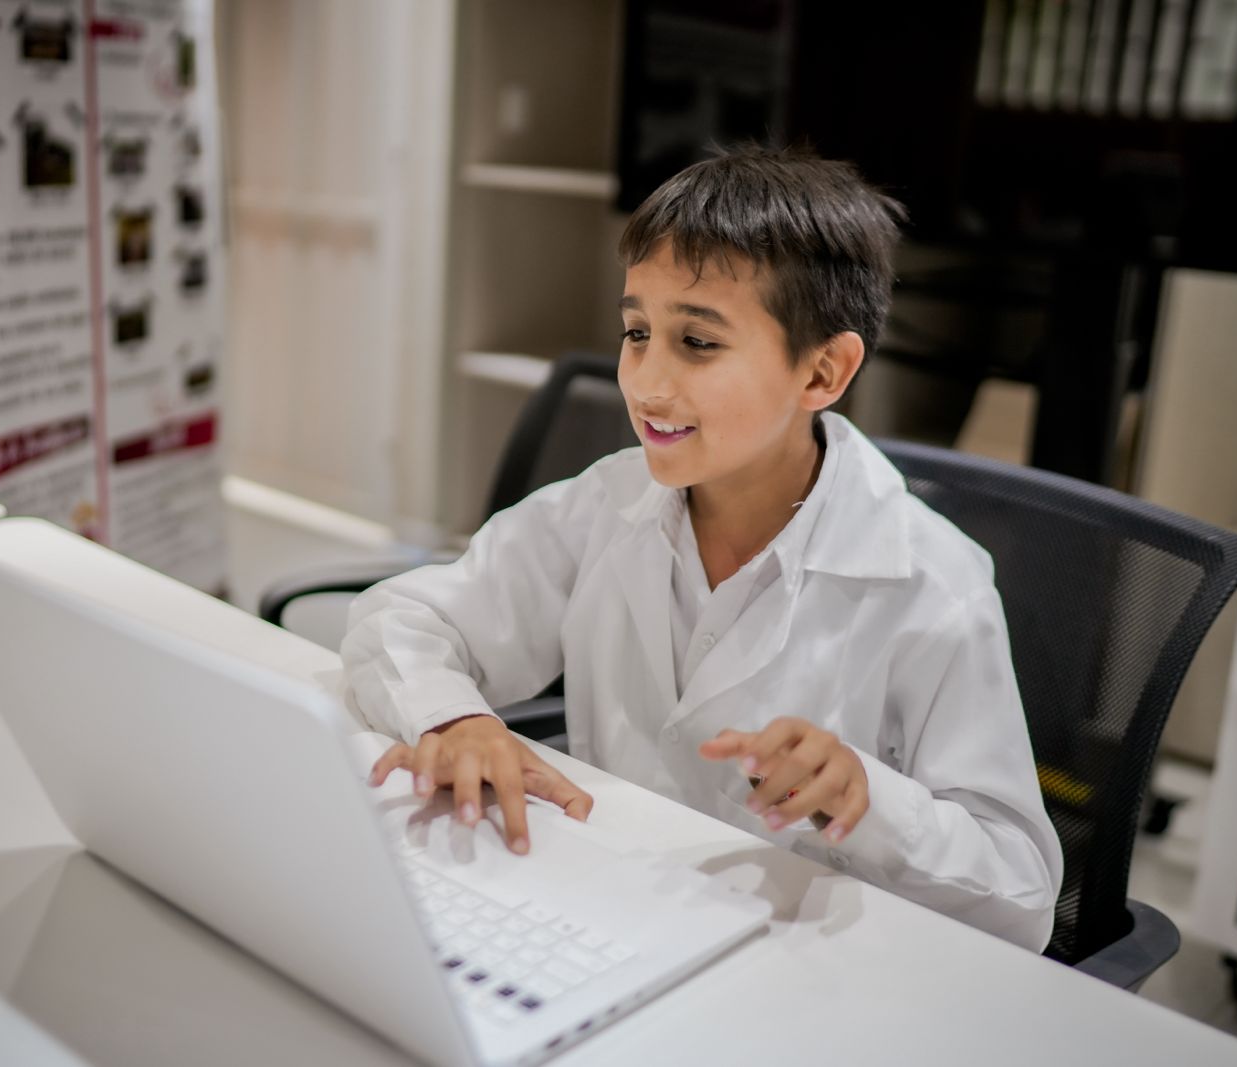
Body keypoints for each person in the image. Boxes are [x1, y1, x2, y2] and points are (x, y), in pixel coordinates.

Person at [342, 145, 1063, 952]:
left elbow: (1024, 895)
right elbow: (401, 618)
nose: (647, 383)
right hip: (603, 913)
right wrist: (458, 717)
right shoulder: (608, 503)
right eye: (637, 331)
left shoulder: (934, 583)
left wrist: (871, 799)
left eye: (698, 343)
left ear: (823, 372)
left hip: (806, 964)